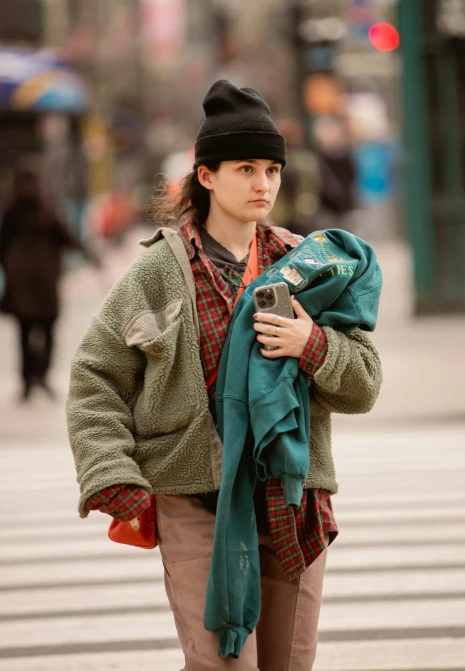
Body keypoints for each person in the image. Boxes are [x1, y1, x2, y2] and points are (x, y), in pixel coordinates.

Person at [66, 80, 383, 671]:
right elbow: (96, 375)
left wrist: (312, 344)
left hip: (291, 495)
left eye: (272, 169)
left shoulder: (306, 264)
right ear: (206, 176)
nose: (263, 184)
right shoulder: (158, 275)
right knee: (222, 664)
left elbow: (364, 381)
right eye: (245, 169)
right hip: (193, 497)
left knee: (288, 664)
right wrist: (111, 468)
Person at [0, 166, 96, 401]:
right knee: (48, 329)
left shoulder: (11, 211)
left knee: (24, 332)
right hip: (45, 282)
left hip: (20, 282)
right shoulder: (46, 209)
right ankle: (41, 376)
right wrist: (92, 256)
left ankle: (28, 380)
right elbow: (67, 237)